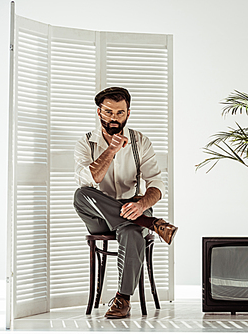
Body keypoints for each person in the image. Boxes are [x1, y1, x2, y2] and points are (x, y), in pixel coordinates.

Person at [73, 86, 177, 319]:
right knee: (81, 195)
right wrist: (112, 149)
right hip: (99, 214)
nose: (114, 118)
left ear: (128, 113)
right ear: (99, 112)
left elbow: (157, 184)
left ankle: (123, 299)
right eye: (109, 112)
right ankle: (152, 223)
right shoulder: (86, 143)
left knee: (130, 232)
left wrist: (141, 205)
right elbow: (92, 179)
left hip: (134, 206)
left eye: (120, 113)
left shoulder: (141, 141)